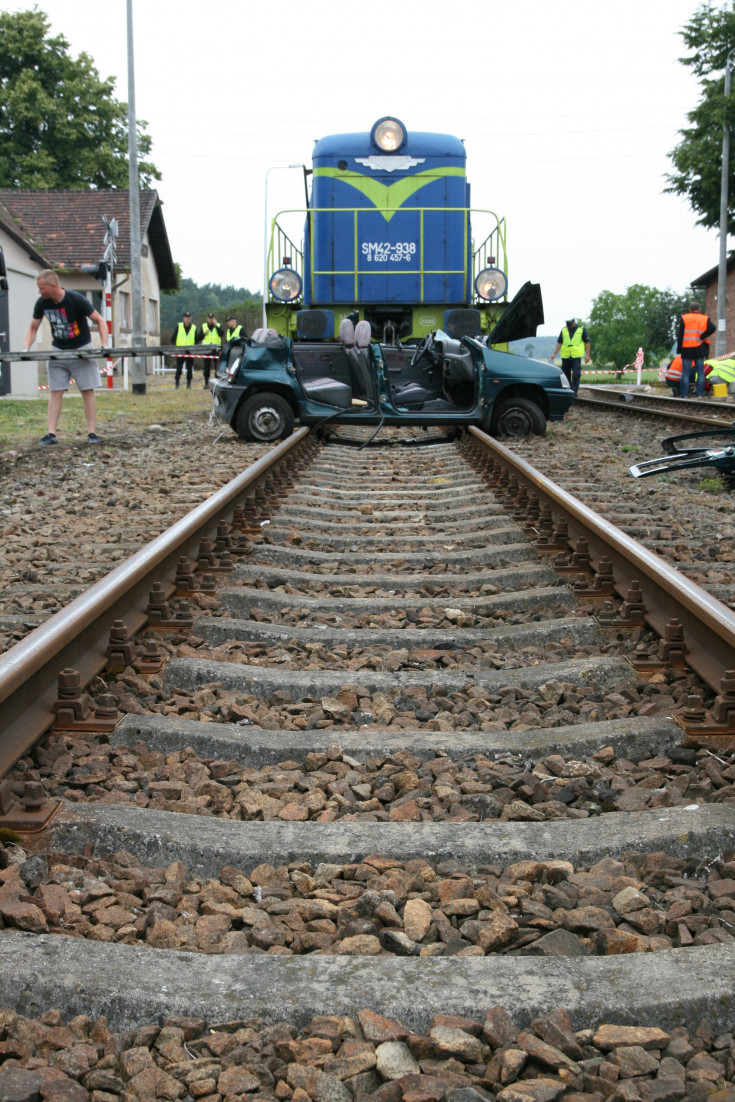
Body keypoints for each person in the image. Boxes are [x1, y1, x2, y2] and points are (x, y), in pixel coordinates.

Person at [23, 269, 108, 446]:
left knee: (87, 390)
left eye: (41, 288)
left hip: (81, 349)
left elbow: (100, 320)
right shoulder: (42, 303)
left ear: (52, 285)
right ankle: (51, 434)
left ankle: (92, 433)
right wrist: (26, 348)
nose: (39, 292)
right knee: (55, 392)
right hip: (58, 350)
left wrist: (104, 346)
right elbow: (33, 328)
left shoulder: (76, 299)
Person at [676, 300, 715, 399]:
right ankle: (700, 394)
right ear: (699, 309)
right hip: (700, 349)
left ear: (690, 309)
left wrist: (679, 350)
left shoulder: (684, 318)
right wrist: (702, 337)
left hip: (687, 349)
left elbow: (680, 335)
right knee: (700, 373)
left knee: (685, 373)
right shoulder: (704, 318)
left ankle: (684, 394)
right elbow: (713, 328)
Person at [550, 318, 591, 394]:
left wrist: (587, 355)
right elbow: (559, 343)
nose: (569, 327)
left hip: (576, 356)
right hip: (565, 356)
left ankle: (573, 392)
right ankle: (568, 391)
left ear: (574, 322)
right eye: (568, 325)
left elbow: (587, 342)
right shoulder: (564, 330)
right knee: (566, 376)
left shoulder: (581, 329)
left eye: (571, 325)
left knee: (576, 375)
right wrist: (554, 354)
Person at [172, 311, 198, 388]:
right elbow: (173, 338)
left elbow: (196, 340)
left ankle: (188, 383)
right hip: (181, 350)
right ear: (183, 318)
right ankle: (177, 382)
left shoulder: (194, 327)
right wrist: (175, 346)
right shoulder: (179, 326)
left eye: (189, 317)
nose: (188, 319)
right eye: (187, 317)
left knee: (190, 367)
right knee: (179, 367)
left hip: (190, 350)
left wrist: (195, 348)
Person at [200, 312, 222, 388]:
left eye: (212, 318)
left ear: (214, 318)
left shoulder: (218, 325)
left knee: (217, 366)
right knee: (206, 366)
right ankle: (206, 382)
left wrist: (216, 326)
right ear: (207, 319)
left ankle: (217, 381)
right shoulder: (204, 326)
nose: (211, 320)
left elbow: (221, 334)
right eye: (209, 318)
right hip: (207, 349)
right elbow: (199, 337)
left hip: (216, 349)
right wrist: (204, 333)